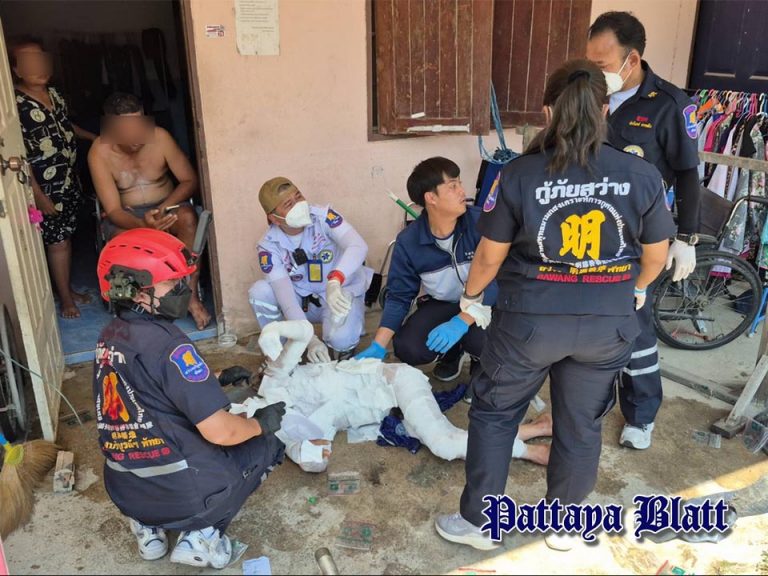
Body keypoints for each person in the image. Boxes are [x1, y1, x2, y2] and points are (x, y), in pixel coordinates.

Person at [434, 59, 675, 552]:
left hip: (529, 325)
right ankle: (564, 525)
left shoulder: (519, 174)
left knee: (496, 414)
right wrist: (635, 288)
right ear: (605, 110)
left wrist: (471, 299)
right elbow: (656, 255)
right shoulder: (641, 173)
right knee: (580, 424)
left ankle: (480, 523)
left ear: (547, 111)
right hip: (606, 326)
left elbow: (489, 256)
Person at [93, 228, 285, 568]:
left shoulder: (109, 336)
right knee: (266, 446)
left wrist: (215, 378)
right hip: (182, 493)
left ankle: (147, 528)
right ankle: (202, 534)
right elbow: (221, 432)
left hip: (126, 490)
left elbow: (148, 385)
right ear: (136, 291)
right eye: (172, 283)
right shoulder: (170, 344)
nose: (183, 290)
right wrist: (260, 424)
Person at [356, 157, 552, 465]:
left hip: (488, 304)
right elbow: (399, 296)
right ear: (430, 198)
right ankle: (453, 352)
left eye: (460, 183)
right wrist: (379, 344)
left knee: (484, 341)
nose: (462, 191)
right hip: (443, 303)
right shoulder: (410, 242)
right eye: (452, 186)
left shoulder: (483, 223)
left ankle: (478, 366)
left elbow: (503, 277)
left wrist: (463, 320)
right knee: (408, 346)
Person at [587, 11, 701, 450]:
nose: (595, 71)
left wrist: (686, 238)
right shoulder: (588, 93)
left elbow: (687, 174)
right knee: (592, 325)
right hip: (588, 231)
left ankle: (640, 414)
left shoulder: (670, 104)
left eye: (602, 64)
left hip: (638, 239)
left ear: (631, 59)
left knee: (634, 327)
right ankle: (592, 403)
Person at [232, 319, 554, 471]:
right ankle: (536, 429)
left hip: (394, 381)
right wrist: (308, 446)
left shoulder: (274, 381)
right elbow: (316, 461)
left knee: (443, 444)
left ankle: (529, 451)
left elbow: (302, 331)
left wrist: (273, 333)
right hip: (388, 406)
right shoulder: (281, 430)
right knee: (444, 438)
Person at [88, 92, 211, 330]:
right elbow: (112, 210)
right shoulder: (99, 151)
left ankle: (190, 295)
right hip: (127, 215)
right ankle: (141, 307)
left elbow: (189, 180)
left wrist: (161, 210)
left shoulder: (160, 137)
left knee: (187, 218)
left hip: (166, 205)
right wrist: (143, 225)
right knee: (120, 242)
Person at [11, 37, 98, 319]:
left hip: (68, 180)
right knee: (58, 243)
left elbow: (65, 125)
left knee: (66, 237)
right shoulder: (15, 105)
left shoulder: (55, 94)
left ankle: (66, 290)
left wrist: (95, 138)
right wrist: (38, 195)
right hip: (45, 187)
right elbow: (18, 154)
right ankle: (66, 299)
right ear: (16, 69)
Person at [248, 177, 372, 361]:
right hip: (302, 302)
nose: (298, 205)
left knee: (342, 339)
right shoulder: (269, 246)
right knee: (260, 291)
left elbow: (358, 246)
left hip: (336, 293)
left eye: (298, 196)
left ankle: (345, 345)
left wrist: (335, 279)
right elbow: (288, 301)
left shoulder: (323, 217)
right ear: (274, 218)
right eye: (288, 204)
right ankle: (282, 352)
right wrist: (310, 340)